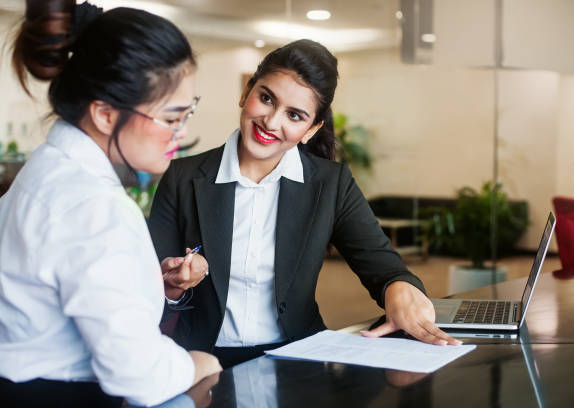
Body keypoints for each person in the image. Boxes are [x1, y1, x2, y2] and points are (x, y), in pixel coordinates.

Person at [148, 39, 461, 369]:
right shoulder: (182, 177)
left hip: (298, 358)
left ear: (311, 130)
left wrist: (400, 288)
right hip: (201, 363)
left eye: (294, 115)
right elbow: (148, 289)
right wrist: (173, 286)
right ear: (246, 92)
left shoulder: (331, 183)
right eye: (266, 98)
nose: (271, 122)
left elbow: (383, 266)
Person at [0, 1, 221, 406]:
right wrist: (196, 365)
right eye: (171, 118)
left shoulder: (46, 170)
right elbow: (137, 373)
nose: (182, 133)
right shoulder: (92, 204)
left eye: (187, 113)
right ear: (104, 113)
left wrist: (149, 283)